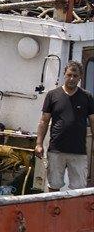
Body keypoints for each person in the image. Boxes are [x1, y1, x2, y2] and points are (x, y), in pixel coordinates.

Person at [35, 61, 94, 191]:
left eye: (75, 76)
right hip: (56, 150)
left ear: (80, 77)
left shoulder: (87, 97)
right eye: (69, 75)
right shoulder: (52, 95)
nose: (72, 78)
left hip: (79, 151)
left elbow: (93, 121)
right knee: (54, 186)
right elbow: (44, 121)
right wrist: (39, 144)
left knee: (79, 190)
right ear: (64, 75)